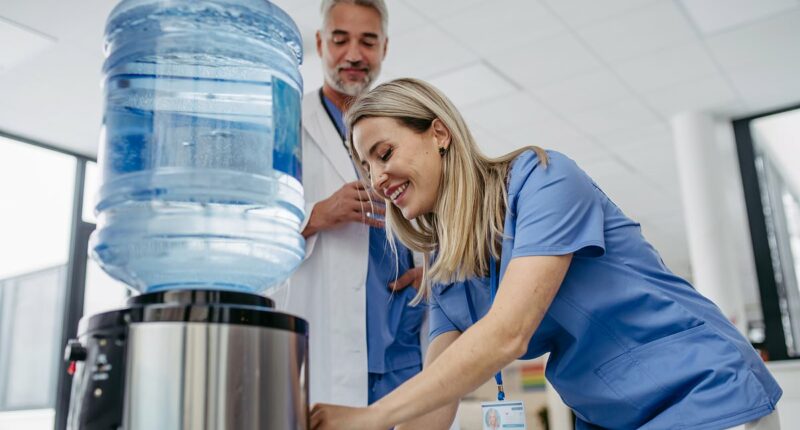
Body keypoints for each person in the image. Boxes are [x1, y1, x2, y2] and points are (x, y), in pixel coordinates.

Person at [309, 78, 783, 429]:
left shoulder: (543, 179)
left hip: (702, 391)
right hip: (609, 415)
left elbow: (507, 333)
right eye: (366, 166)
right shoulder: (449, 266)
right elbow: (436, 400)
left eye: (384, 153)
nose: (375, 179)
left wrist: (370, 416)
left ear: (439, 133)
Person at [274, 0, 426, 407]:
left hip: (402, 339)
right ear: (321, 43)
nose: (354, 55)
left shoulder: (410, 124)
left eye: (368, 41)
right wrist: (315, 215)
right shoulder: (287, 123)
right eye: (341, 40)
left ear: (385, 48)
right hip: (326, 339)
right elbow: (246, 230)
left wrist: (434, 263)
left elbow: (441, 215)